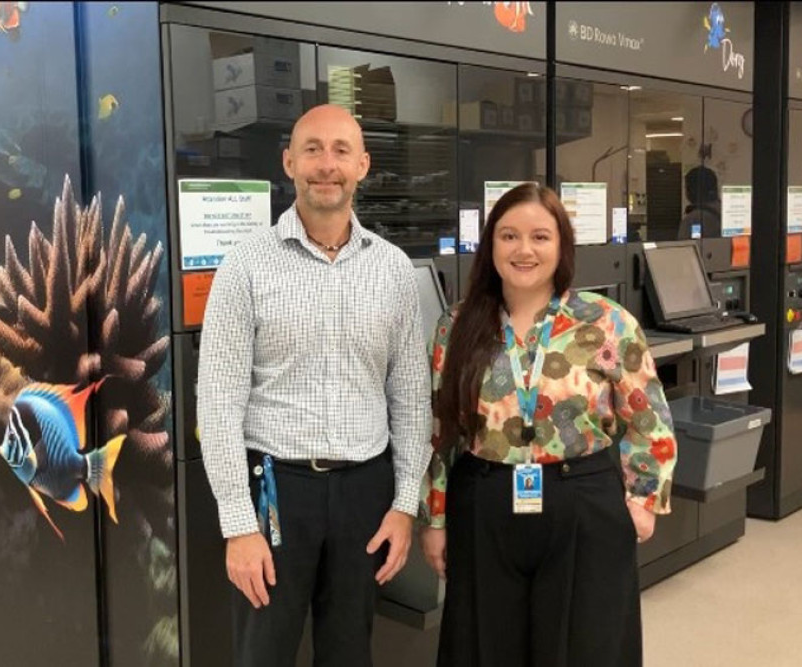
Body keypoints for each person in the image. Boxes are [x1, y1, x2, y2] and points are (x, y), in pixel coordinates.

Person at [198, 103, 432, 666]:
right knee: (265, 653)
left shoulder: (394, 269)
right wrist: (238, 524)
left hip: (364, 494)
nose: (326, 165)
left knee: (350, 650)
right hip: (277, 492)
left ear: (363, 165)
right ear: (288, 162)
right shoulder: (245, 267)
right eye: (312, 149)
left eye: (340, 151)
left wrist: (404, 505)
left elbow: (410, 398)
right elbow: (218, 403)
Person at [420, 183, 677, 666]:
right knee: (485, 647)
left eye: (540, 236)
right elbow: (442, 431)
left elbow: (649, 418)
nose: (524, 250)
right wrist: (435, 518)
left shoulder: (606, 322)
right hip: (485, 502)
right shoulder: (456, 327)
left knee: (586, 647)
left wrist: (642, 500)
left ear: (561, 246)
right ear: (490, 245)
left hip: (583, 502)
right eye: (508, 236)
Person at [677, 165, 722, 239]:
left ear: (692, 190)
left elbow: (685, 247)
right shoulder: (727, 212)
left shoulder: (694, 219)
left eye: (686, 187)